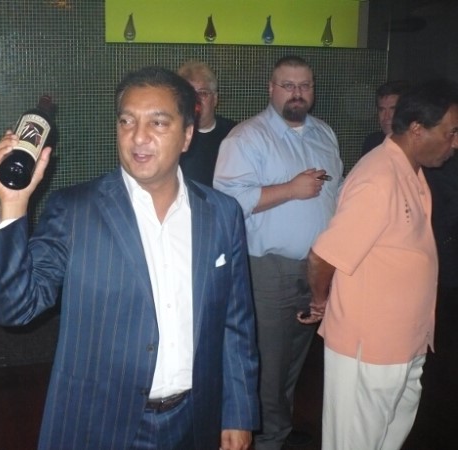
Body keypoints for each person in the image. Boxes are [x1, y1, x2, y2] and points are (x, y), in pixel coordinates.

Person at [0, 66, 259, 450]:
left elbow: (236, 323)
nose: (138, 137)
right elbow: (14, 308)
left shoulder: (222, 214)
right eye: (127, 121)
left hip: (195, 420)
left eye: (158, 123)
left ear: (186, 136)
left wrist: (238, 413)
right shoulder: (74, 211)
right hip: (100, 423)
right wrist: (13, 204)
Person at [302, 79, 458, 450]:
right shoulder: (379, 178)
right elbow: (323, 256)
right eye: (450, 132)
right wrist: (321, 301)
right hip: (369, 348)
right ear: (417, 129)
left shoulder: (410, 170)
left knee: (386, 439)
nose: (455, 143)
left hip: (405, 343)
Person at [214, 55, 343, 450]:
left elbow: (335, 196)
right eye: (288, 85)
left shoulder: (325, 134)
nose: (297, 93)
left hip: (317, 267)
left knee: (294, 359)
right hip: (268, 269)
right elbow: (226, 203)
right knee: (269, 364)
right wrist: (290, 189)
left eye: (304, 85)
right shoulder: (246, 138)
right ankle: (267, 438)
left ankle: (279, 428)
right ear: (271, 88)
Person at [177, 60, 236, 187]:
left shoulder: (235, 134)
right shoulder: (173, 135)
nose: (196, 100)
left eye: (202, 93)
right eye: (190, 94)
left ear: (215, 99)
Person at [361, 80, 411, 156]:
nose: (386, 117)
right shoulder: (372, 143)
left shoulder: (418, 146)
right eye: (382, 110)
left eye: (393, 109)